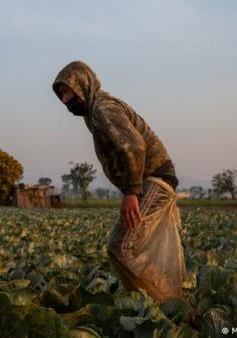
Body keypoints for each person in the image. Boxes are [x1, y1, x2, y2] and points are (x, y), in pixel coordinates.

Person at [52, 61, 187, 303]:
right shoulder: (96, 112)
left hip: (153, 180)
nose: (64, 100)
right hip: (154, 179)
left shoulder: (103, 109)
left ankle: (163, 304)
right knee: (134, 247)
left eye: (67, 91)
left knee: (121, 246)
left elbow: (134, 146)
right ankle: (164, 301)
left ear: (82, 85)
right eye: (61, 94)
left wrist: (131, 192)